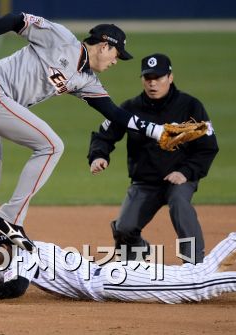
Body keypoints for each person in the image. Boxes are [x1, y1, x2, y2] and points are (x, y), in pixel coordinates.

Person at [0, 13, 182, 274]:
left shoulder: (86, 80)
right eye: (117, 54)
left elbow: (116, 114)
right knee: (51, 145)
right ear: (103, 45)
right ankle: (9, 220)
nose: (116, 61)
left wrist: (157, 132)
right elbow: (17, 20)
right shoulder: (60, 38)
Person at [0, 199, 236, 306]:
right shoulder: (29, 251)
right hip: (118, 274)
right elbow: (2, 276)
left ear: (6, 243)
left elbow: (15, 287)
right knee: (201, 274)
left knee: (198, 286)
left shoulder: (23, 257)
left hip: (116, 282)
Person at [88, 53, 219, 264]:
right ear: (142, 79)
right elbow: (104, 136)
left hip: (179, 179)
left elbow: (208, 147)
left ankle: (194, 264)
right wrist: (99, 156)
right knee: (124, 228)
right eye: (148, 78)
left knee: (179, 203)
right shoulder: (129, 109)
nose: (153, 83)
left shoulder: (190, 106)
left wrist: (185, 172)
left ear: (170, 77)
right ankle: (137, 263)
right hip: (145, 182)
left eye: (158, 78)